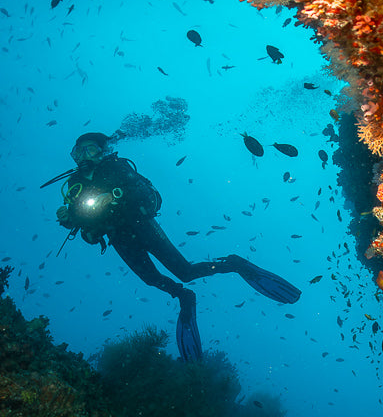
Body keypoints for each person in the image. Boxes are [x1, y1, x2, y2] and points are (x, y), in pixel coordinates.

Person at [45, 132, 301, 361]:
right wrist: (70, 221)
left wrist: (111, 196)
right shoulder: (72, 185)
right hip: (118, 237)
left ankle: (233, 264)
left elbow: (142, 193)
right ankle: (183, 296)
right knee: (150, 279)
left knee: (185, 271)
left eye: (89, 149)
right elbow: (86, 229)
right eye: (78, 152)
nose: (83, 156)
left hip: (141, 224)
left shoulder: (117, 167)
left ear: (101, 150)